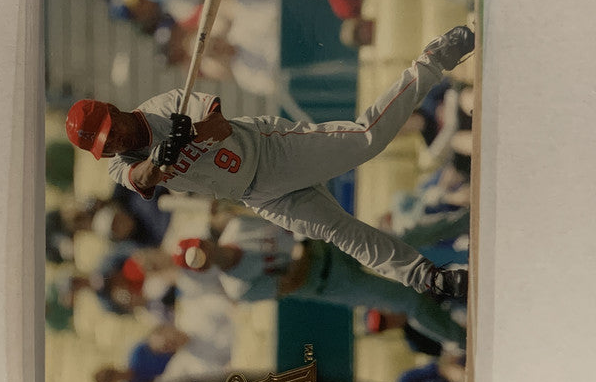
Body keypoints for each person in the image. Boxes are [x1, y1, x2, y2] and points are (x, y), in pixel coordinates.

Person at [64, 26, 475, 298]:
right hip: (258, 195)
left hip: (270, 150)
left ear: (113, 110)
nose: (113, 142)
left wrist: (190, 133)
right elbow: (143, 177)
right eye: (104, 144)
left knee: (365, 138)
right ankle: (427, 276)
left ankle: (433, 60)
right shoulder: (119, 164)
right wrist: (161, 157)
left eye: (110, 131)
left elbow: (220, 125)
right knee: (340, 231)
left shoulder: (164, 106)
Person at [172, 214, 466, 349]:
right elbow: (290, 284)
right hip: (330, 281)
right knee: (409, 301)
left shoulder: (237, 227)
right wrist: (301, 251)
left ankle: (469, 219)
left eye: (201, 248)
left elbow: (284, 221)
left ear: (204, 241)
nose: (207, 253)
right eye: (200, 260)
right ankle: (467, 343)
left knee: (408, 235)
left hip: (331, 243)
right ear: (203, 269)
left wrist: (300, 250)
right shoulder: (236, 287)